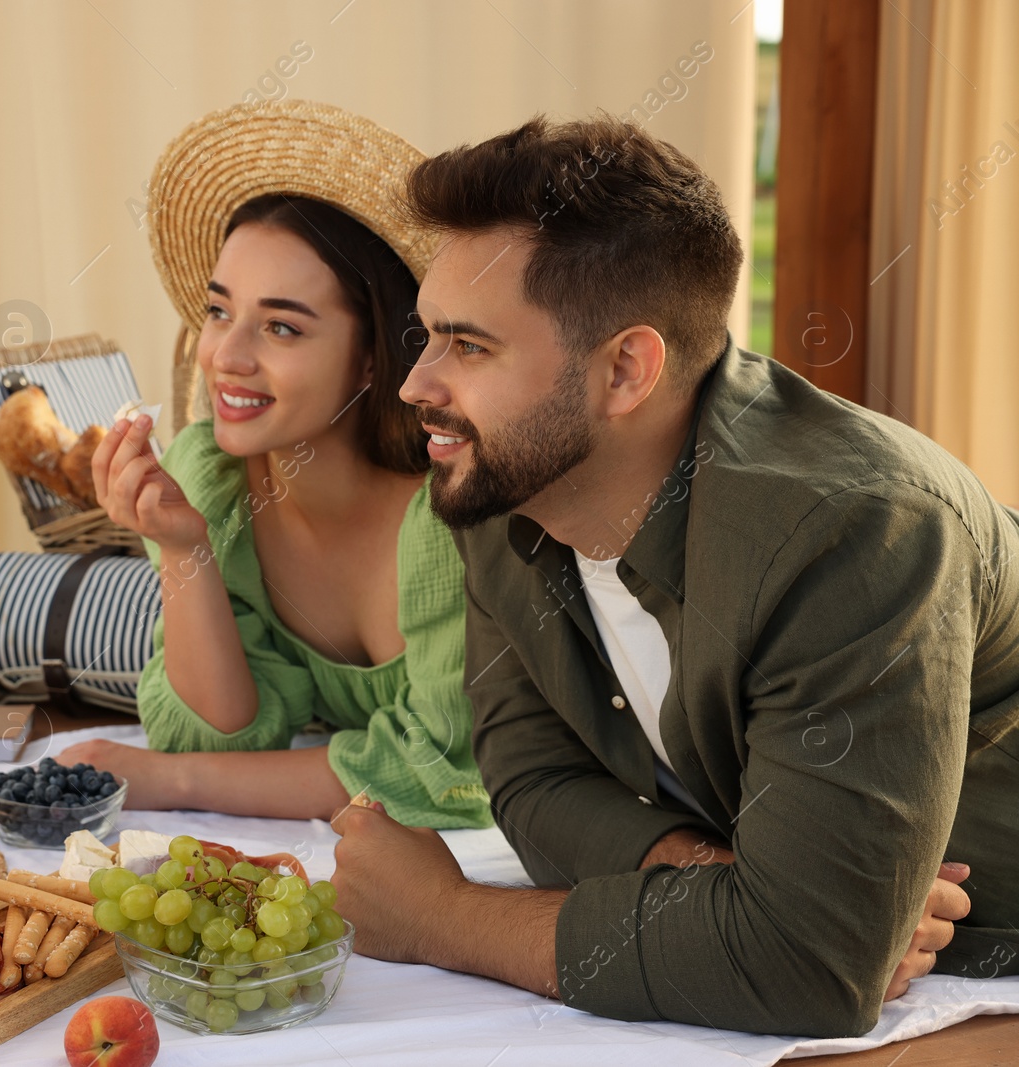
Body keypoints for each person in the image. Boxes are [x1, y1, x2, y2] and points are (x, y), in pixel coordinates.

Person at [331, 113, 1019, 1038]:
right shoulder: (505, 485)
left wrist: (443, 919)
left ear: (626, 370)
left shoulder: (853, 528)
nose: (418, 385)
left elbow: (808, 967)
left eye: (471, 345)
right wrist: (723, 887)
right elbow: (533, 779)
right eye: (426, 337)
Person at [57, 101, 490, 828]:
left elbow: (445, 776)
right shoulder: (213, 476)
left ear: (374, 357)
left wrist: (169, 780)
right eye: (220, 311)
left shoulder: (451, 509)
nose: (226, 356)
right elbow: (215, 733)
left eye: (282, 326)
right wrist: (181, 546)